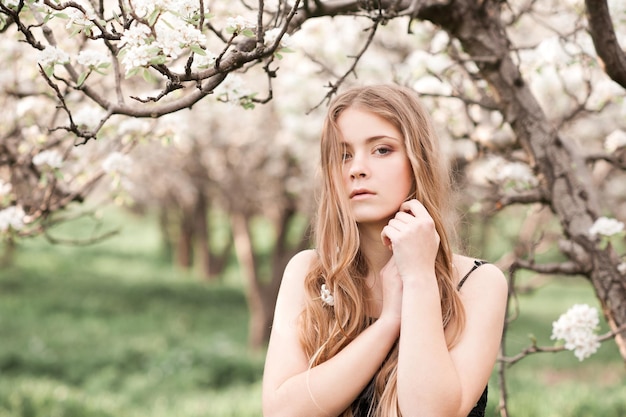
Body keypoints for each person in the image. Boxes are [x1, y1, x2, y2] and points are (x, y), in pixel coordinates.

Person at [262, 84, 508, 417]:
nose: (356, 168)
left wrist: (419, 277)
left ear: (416, 160)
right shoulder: (308, 273)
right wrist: (389, 321)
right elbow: (281, 413)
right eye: (343, 154)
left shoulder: (478, 283)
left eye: (381, 150)